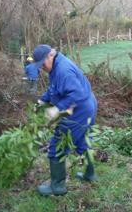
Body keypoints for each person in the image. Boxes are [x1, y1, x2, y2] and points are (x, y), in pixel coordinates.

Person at [33, 44, 98, 196]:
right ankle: (90, 175)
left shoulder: (63, 70)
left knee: (58, 145)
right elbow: (55, 87)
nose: (42, 67)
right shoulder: (56, 66)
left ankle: (57, 187)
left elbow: (76, 94)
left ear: (51, 55)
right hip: (86, 104)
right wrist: (43, 100)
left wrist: (57, 108)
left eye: (43, 63)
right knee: (83, 141)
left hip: (78, 108)